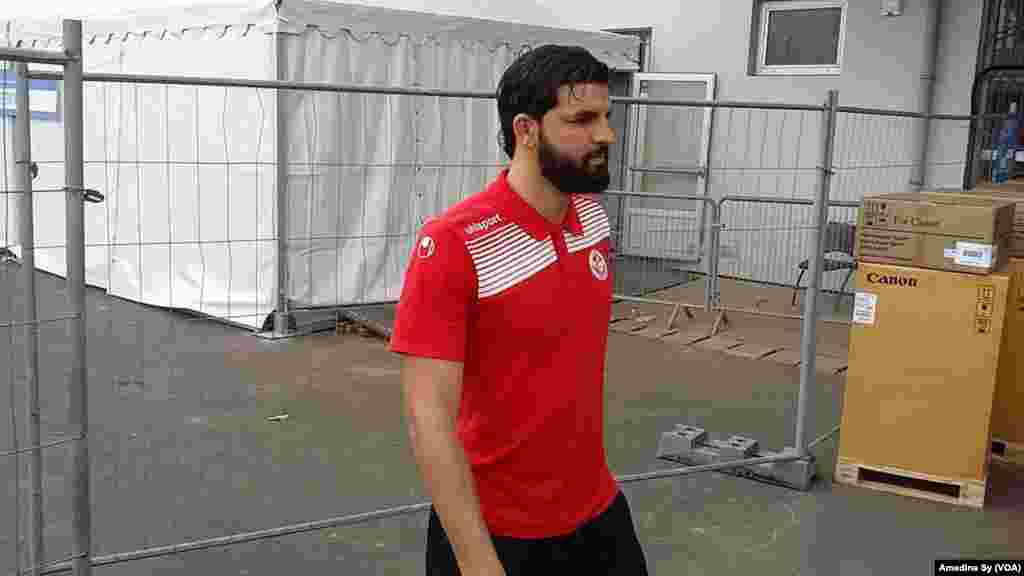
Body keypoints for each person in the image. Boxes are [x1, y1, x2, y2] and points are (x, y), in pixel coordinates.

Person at [389, 44, 650, 575]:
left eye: (606, 117)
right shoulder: (453, 243)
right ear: (526, 130)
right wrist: (477, 561)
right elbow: (428, 416)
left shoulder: (593, 220)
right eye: (582, 119)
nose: (606, 134)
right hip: (497, 532)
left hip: (597, 512)